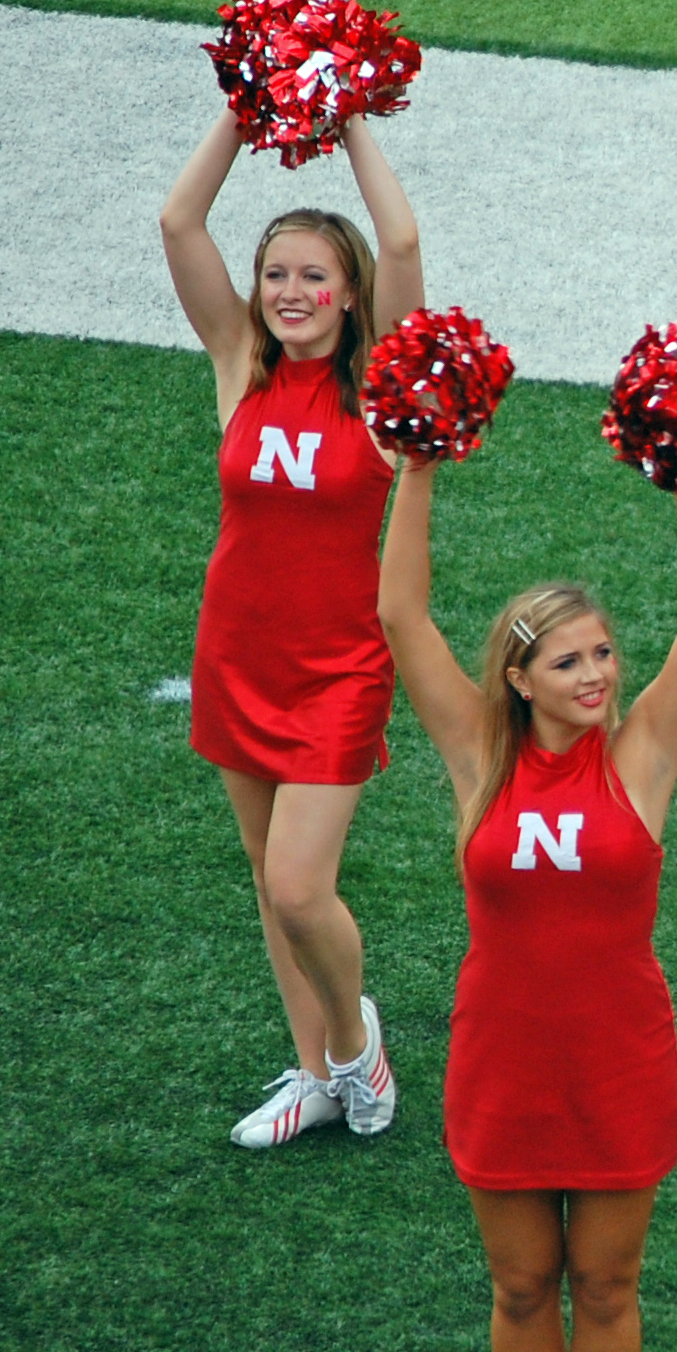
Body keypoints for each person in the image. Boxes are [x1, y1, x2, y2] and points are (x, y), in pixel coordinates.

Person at [377, 455, 677, 1352]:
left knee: (607, 1281)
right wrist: (418, 467)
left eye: (602, 654)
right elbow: (397, 610)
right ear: (518, 678)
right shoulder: (478, 758)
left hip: (618, 1058)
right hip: (505, 1058)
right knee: (523, 1282)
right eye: (568, 660)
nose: (596, 673)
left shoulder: (642, 756)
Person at [160, 111, 423, 1148]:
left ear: (348, 291)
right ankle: (313, 1072)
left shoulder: (379, 389)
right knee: (267, 880)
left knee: (298, 883)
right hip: (235, 657)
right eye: (276, 274)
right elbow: (179, 220)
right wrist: (244, 107)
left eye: (314, 276)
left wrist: (345, 114)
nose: (291, 294)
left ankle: (357, 1045)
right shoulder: (239, 360)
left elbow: (400, 243)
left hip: (339, 670)